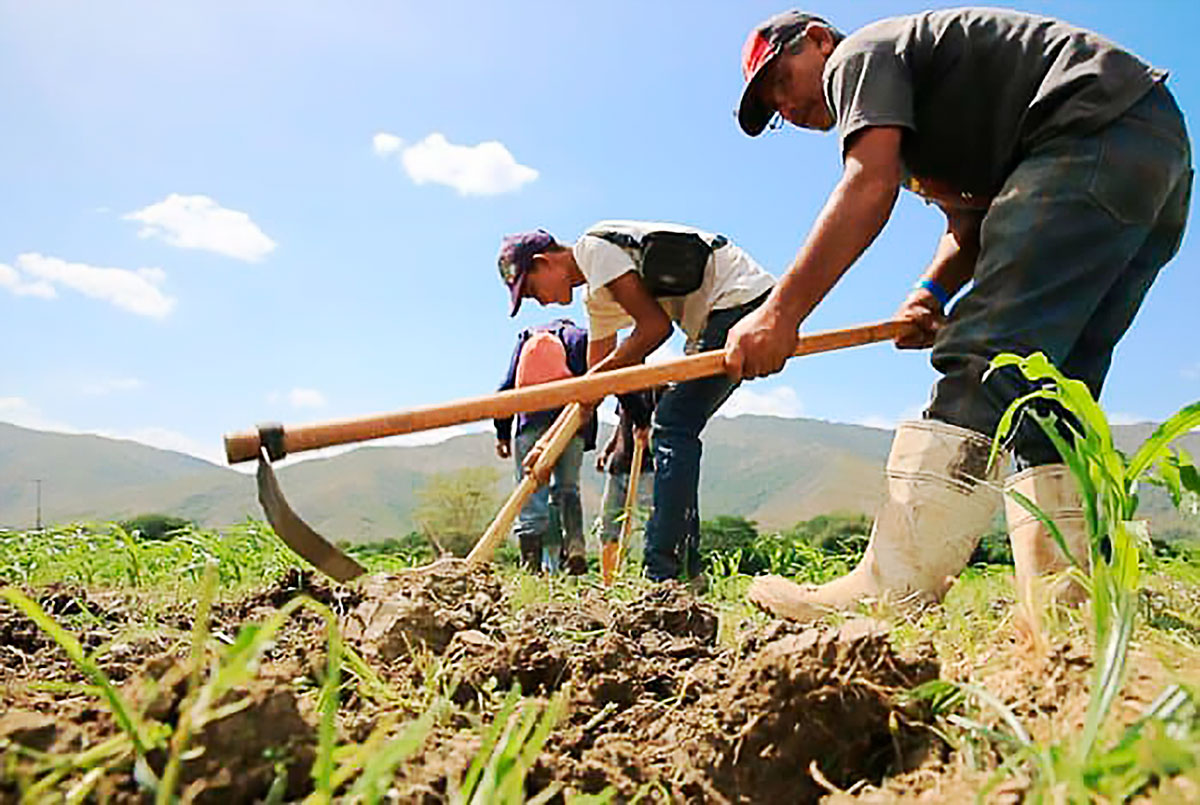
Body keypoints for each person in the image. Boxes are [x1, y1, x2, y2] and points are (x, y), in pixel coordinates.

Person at [728, 9, 1192, 619]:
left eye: (780, 82)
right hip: (1149, 149)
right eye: (770, 106)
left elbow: (868, 185)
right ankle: (1068, 600)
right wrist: (930, 292)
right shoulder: (924, 112)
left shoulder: (860, 56)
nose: (784, 107)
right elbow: (971, 222)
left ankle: (893, 588)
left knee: (988, 357)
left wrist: (778, 313)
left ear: (817, 41)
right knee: (1047, 389)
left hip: (1088, 128)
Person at [497, 222, 776, 582]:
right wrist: (550, 440)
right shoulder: (598, 299)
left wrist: (592, 385)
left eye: (533, 290)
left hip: (738, 302)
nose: (542, 302)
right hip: (716, 319)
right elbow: (594, 388)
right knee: (676, 424)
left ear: (543, 262)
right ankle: (684, 572)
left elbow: (653, 328)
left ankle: (664, 575)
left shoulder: (593, 249)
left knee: (672, 425)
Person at [494, 317, 597, 575]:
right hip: (570, 424)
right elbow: (593, 386)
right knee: (568, 488)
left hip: (530, 422)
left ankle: (531, 566)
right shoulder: (580, 337)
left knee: (530, 491)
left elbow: (507, 387)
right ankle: (575, 545)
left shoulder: (527, 337)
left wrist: (503, 433)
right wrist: (586, 436)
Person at [595, 389, 659, 582]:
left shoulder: (654, 390)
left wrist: (649, 437)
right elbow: (621, 425)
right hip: (618, 466)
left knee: (647, 523)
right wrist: (607, 451)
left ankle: (648, 578)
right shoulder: (625, 390)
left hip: (645, 468)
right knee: (608, 526)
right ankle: (608, 581)